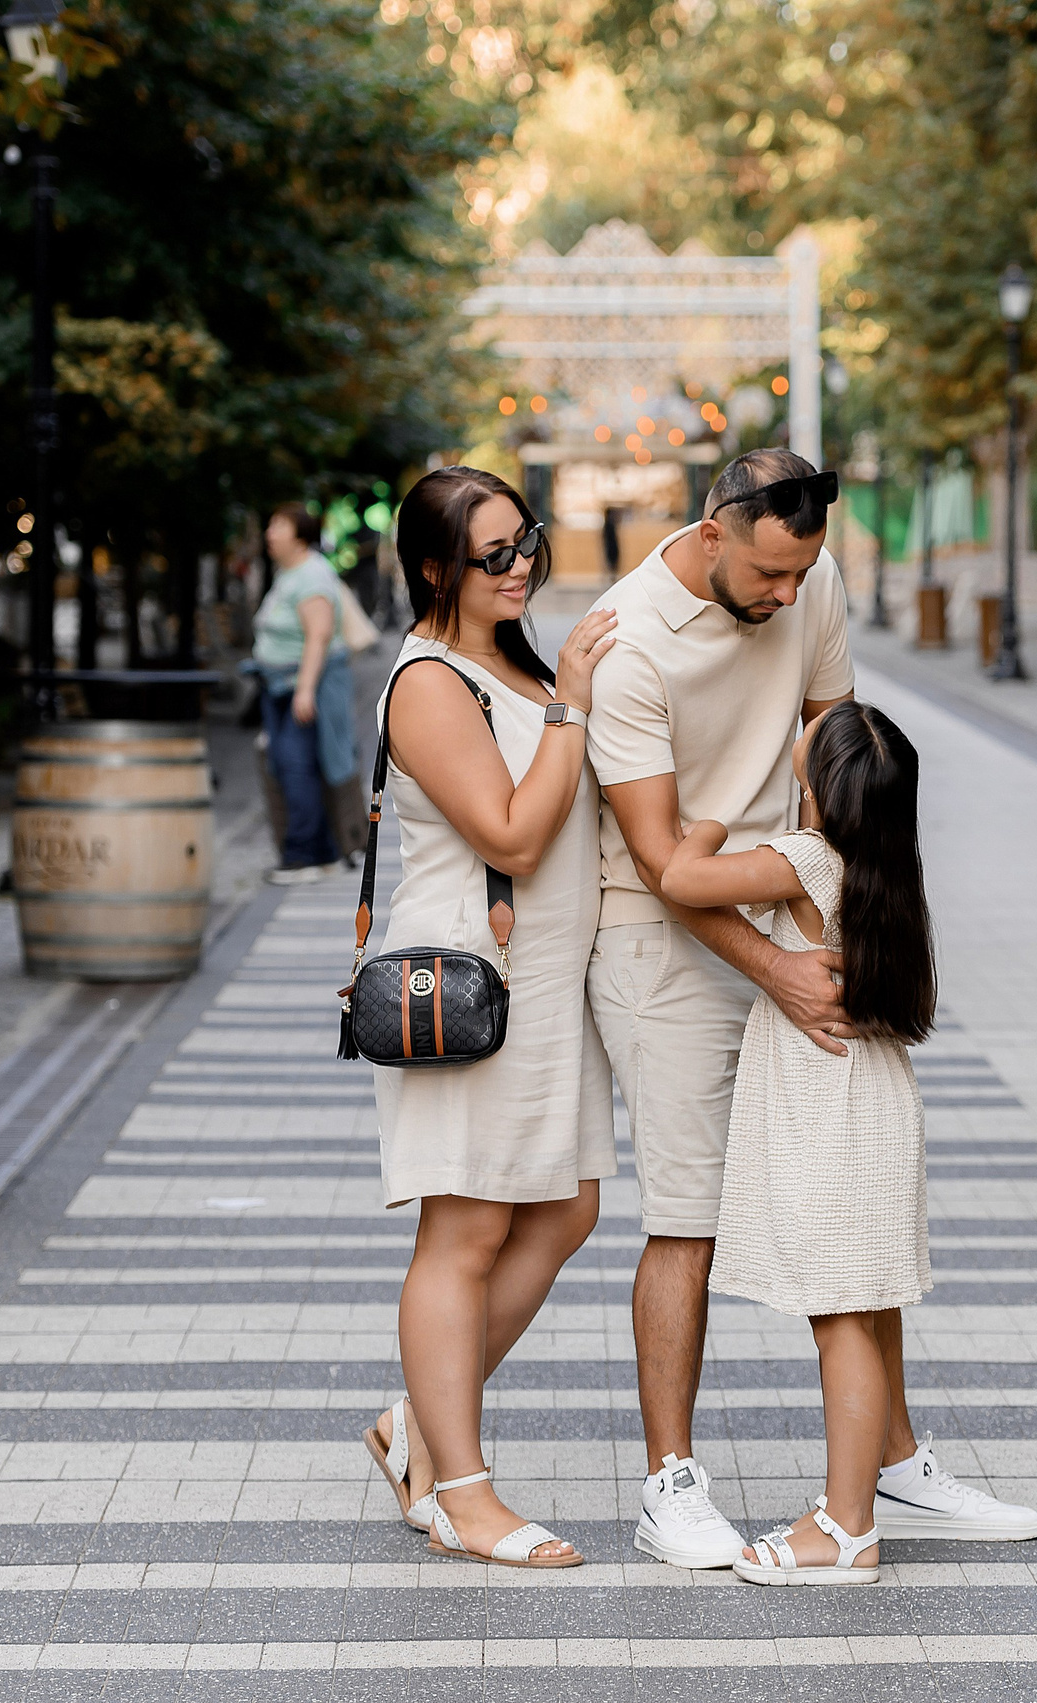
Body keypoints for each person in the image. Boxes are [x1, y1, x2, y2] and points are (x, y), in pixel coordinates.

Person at [584, 447, 1037, 1570]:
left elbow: (839, 754)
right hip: (668, 941)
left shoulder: (810, 571)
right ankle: (671, 1480)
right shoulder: (628, 637)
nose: (793, 599)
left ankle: (888, 1467)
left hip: (787, 904)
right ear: (713, 530)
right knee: (686, 1216)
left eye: (807, 574)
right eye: (772, 576)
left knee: (854, 1236)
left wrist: (805, 929)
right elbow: (658, 862)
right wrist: (775, 960)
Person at [356, 466, 623, 1569]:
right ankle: (461, 1488)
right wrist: (569, 704)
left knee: (564, 1208)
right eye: (494, 554)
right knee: (462, 1232)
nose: (521, 566)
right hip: (469, 983)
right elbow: (511, 835)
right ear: (434, 568)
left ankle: (416, 1426)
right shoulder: (427, 681)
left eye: (528, 542)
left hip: (547, 982)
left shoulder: (503, 661)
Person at [659, 700, 937, 1585]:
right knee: (859, 1305)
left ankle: (846, 1525)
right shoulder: (888, 867)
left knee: (841, 1313)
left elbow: (681, 879)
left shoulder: (806, 857)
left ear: (819, 786)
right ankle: (856, 1505)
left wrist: (701, 828)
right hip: (874, 1102)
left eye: (810, 736)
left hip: (831, 1110)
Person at [250, 505, 354, 885]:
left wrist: (305, 690)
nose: (269, 531)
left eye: (278, 524)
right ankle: (322, 852)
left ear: (300, 534)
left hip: (301, 686)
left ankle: (306, 853)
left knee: (297, 767)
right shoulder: (290, 573)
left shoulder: (311, 574)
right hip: (280, 687)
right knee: (289, 765)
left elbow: (319, 634)